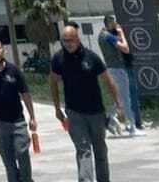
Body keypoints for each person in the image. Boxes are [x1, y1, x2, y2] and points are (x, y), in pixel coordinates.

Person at [50, 23, 124, 182]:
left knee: (100, 150)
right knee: (83, 149)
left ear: (77, 39)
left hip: (96, 112)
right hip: (74, 113)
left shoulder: (91, 57)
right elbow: (53, 83)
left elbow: (108, 81)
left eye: (70, 40)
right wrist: (57, 108)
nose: (67, 44)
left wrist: (119, 104)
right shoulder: (58, 59)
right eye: (64, 40)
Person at [0, 37, 37, 182]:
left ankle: (26, 179)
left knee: (22, 153)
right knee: (8, 159)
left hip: (18, 121)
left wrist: (32, 116)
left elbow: (25, 94)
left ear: (3, 50)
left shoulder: (14, 70)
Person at [97, 14, 139, 136]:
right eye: (114, 23)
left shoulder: (101, 35)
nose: (116, 25)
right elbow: (125, 48)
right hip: (118, 69)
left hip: (110, 68)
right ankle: (132, 126)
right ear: (110, 23)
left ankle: (109, 118)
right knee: (126, 98)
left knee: (119, 97)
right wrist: (121, 34)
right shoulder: (109, 36)